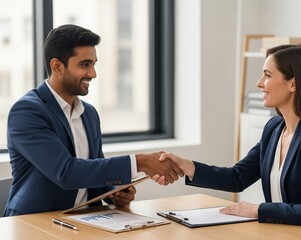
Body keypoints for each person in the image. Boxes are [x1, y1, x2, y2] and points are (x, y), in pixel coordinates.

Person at [155, 44, 301, 229]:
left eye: (268, 75)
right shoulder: (274, 128)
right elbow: (237, 177)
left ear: (293, 84)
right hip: (284, 233)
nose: (259, 83)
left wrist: (258, 210)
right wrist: (187, 166)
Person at [4, 24, 183, 216]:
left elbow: (92, 176)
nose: (93, 73)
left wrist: (113, 192)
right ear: (57, 66)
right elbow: (67, 173)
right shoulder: (27, 111)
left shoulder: (88, 113)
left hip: (83, 220)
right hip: (34, 222)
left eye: (93, 64)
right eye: (84, 64)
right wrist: (139, 162)